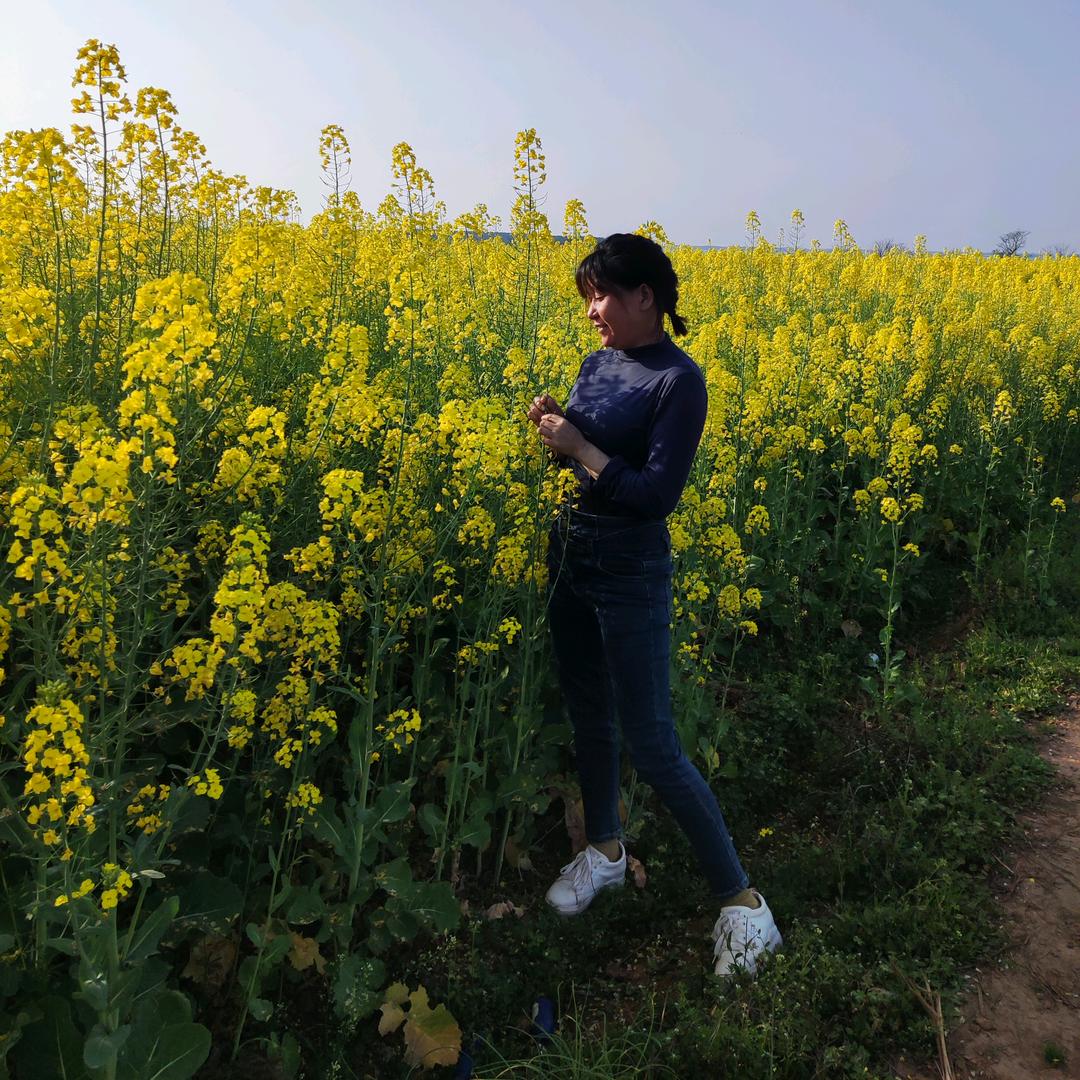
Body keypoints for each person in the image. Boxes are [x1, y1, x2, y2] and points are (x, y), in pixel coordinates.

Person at [524, 233, 782, 979]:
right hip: (570, 556)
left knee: (655, 743)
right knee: (587, 716)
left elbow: (652, 497)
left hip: (629, 571)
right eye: (587, 299)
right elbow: (581, 458)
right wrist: (555, 431)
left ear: (646, 298)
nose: (593, 312)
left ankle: (743, 903)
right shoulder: (597, 364)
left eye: (600, 296)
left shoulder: (679, 381)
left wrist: (578, 447)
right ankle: (604, 850)